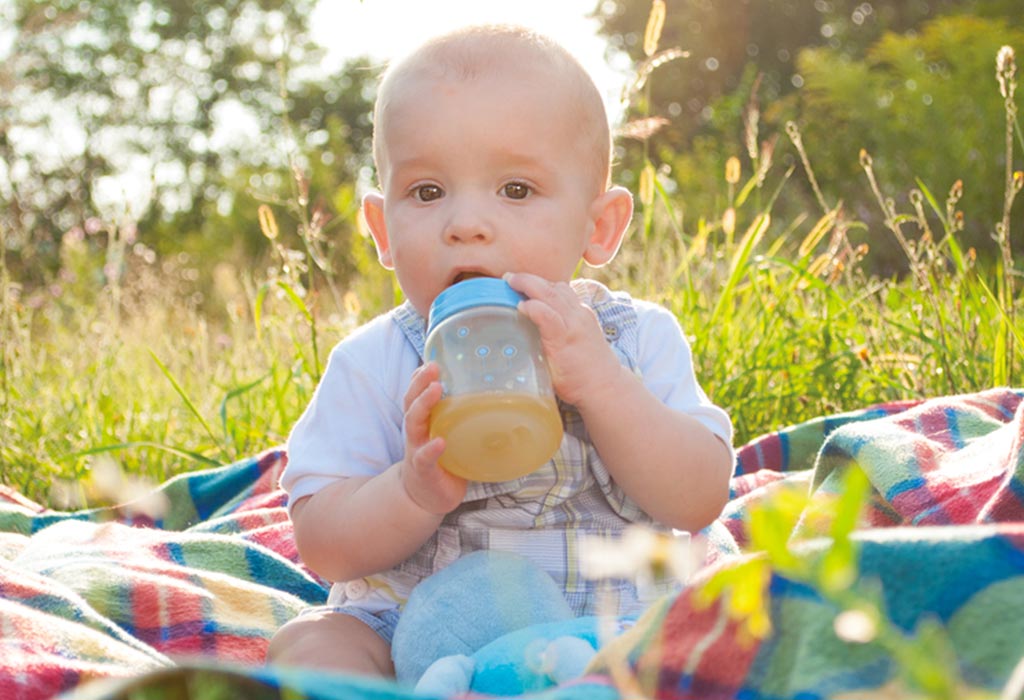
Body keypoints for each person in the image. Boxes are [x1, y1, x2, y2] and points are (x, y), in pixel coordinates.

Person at [266, 23, 734, 678]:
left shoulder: (633, 338)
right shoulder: (374, 362)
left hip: (615, 612)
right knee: (315, 643)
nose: (465, 224)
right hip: (419, 619)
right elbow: (324, 544)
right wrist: (409, 490)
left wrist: (603, 385)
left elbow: (700, 496)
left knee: (733, 617)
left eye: (516, 189)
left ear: (599, 228)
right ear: (382, 230)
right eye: (426, 192)